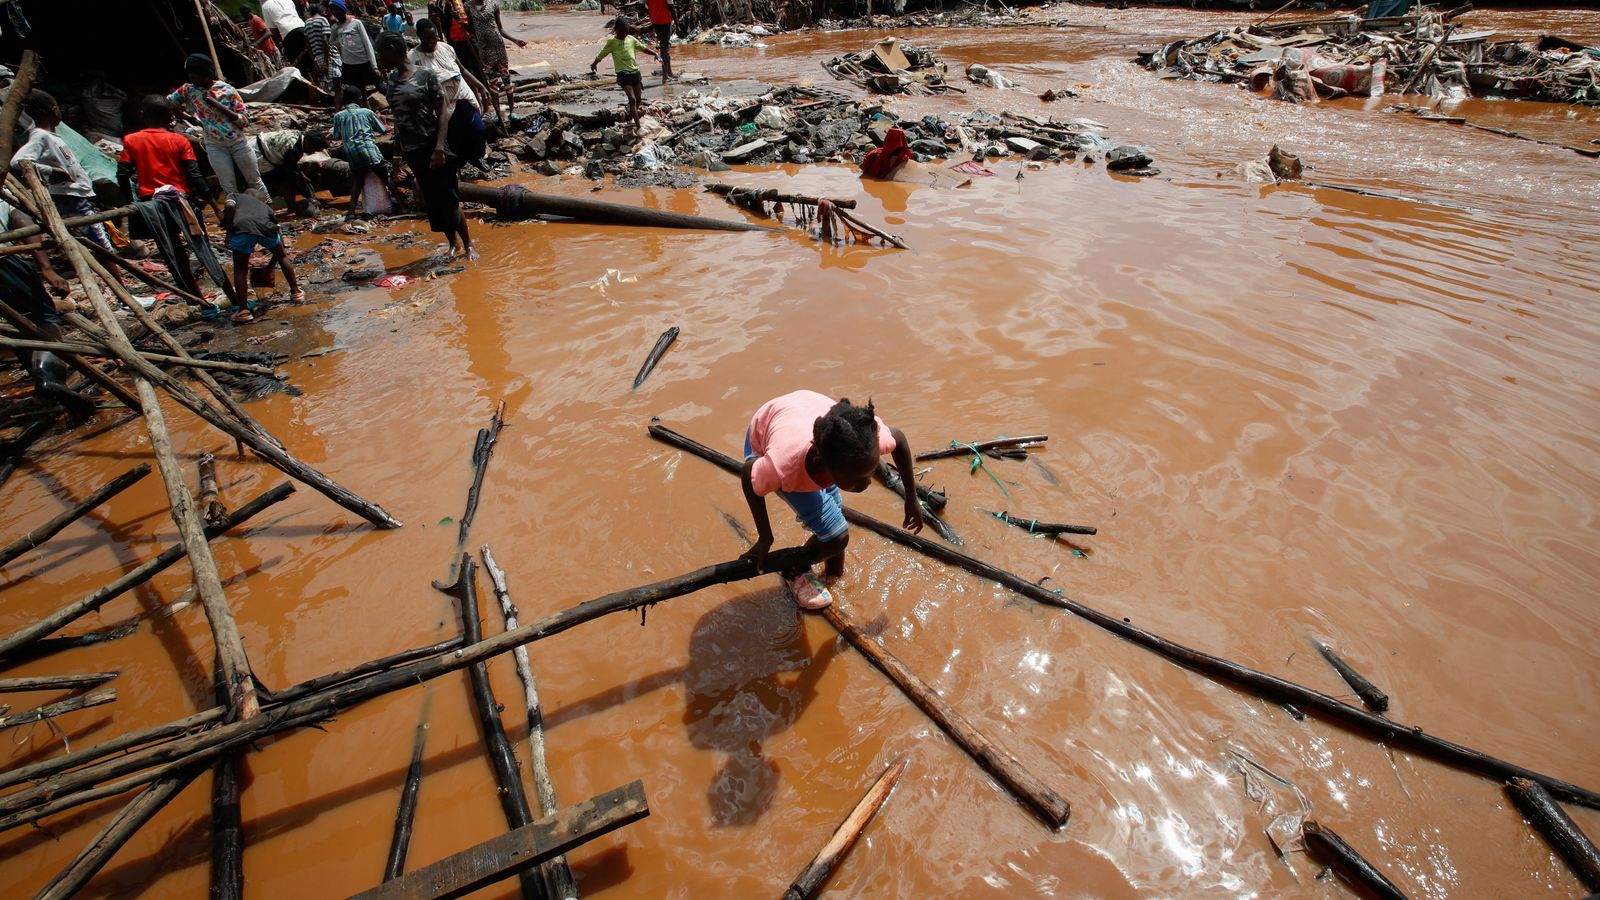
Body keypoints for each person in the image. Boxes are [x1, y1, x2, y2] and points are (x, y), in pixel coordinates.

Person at [740, 392, 923, 609]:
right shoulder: (783, 468)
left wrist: (912, 500)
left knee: (834, 524)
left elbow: (899, 438)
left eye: (870, 472)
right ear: (822, 464)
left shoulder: (864, 442)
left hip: (804, 409)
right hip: (764, 432)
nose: (868, 483)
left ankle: (833, 574)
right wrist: (765, 537)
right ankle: (794, 568)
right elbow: (748, 473)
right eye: (858, 479)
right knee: (837, 536)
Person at [378, 32, 474, 259]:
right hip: (413, 150)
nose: (379, 57)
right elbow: (399, 121)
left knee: (448, 198)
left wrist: (439, 148)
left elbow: (441, 114)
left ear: (393, 49)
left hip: (433, 145)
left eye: (381, 52)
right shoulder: (392, 80)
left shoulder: (425, 75)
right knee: (432, 201)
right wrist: (397, 157)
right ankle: (453, 242)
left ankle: (468, 244)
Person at [11, 91, 113, 252]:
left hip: (74, 194)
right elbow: (18, 161)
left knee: (87, 238)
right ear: (54, 110)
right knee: (100, 243)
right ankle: (113, 272)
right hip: (70, 195)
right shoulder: (40, 136)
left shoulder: (52, 136)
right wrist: (51, 171)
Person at [169, 54, 271, 198]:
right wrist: (185, 117)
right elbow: (168, 103)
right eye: (190, 73)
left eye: (195, 73)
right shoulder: (188, 90)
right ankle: (237, 215)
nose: (191, 77)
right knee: (228, 186)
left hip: (238, 143)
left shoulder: (227, 90)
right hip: (214, 145)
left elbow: (244, 121)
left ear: (206, 74)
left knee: (254, 180)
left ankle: (269, 212)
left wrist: (217, 104)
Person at [411, 19, 488, 165]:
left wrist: (481, 86)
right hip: (441, 103)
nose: (432, 41)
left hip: (462, 94)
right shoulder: (413, 58)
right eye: (428, 38)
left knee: (478, 130)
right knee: (454, 136)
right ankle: (461, 164)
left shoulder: (446, 48)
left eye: (434, 37)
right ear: (419, 36)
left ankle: (477, 156)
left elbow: (462, 70)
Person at [118, 95, 215, 209]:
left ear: (142, 114)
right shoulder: (180, 141)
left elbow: (122, 175)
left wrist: (130, 202)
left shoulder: (131, 140)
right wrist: (214, 206)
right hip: (178, 199)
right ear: (171, 118)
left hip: (149, 201)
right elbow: (195, 175)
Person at [222, 191, 303, 323]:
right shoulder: (266, 208)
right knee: (282, 257)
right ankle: (296, 293)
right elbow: (280, 244)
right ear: (262, 200)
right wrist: (270, 266)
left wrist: (229, 230)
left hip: (242, 227)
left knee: (240, 269)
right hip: (265, 227)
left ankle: (243, 311)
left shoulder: (234, 195)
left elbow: (230, 207)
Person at [331, 85, 395, 216]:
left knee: (358, 181)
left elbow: (336, 136)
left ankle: (351, 212)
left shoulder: (339, 116)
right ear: (360, 99)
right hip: (369, 151)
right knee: (385, 177)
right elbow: (382, 129)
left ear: (343, 100)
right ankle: (403, 205)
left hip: (352, 153)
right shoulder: (367, 112)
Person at [465, 0, 525, 125]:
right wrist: (461, 24)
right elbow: (471, 29)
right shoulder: (468, 7)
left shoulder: (493, 5)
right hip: (484, 50)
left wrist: (515, 40)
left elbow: (500, 28)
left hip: (498, 47)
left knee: (506, 78)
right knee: (492, 82)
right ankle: (498, 113)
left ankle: (512, 111)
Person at [591, 19, 656, 129]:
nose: (623, 35)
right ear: (616, 31)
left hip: (635, 73)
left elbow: (642, 48)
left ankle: (630, 118)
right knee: (632, 99)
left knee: (638, 99)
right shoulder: (612, 42)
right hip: (623, 74)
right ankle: (638, 127)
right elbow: (603, 53)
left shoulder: (631, 39)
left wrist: (654, 53)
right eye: (621, 33)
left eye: (625, 32)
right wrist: (594, 63)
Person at [254, 128, 328, 213]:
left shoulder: (300, 136)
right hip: (260, 154)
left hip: (265, 144)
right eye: (313, 149)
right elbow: (292, 173)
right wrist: (309, 197)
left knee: (294, 177)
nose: (312, 152)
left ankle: (291, 204)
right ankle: (291, 206)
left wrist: (301, 174)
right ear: (308, 143)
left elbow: (293, 165)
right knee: (282, 181)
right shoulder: (294, 149)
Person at [331, 0, 380, 95]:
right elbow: (331, 42)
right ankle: (365, 105)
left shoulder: (356, 23)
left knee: (378, 84)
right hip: (349, 63)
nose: (335, 12)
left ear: (343, 10)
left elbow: (367, 43)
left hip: (363, 61)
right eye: (333, 10)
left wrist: (374, 66)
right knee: (358, 90)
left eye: (337, 9)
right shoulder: (335, 27)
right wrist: (341, 42)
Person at [303, 0, 340, 98]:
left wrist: (314, 60)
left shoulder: (306, 23)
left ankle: (330, 104)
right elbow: (325, 40)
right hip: (327, 55)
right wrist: (326, 61)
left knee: (325, 85)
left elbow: (308, 45)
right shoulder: (322, 20)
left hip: (317, 57)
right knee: (336, 83)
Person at [261, 0, 308, 71]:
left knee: (298, 66)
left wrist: (280, 42)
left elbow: (272, 29)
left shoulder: (265, 6)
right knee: (310, 57)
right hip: (302, 27)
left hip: (287, 33)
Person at [645, 0, 675, 82]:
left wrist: (653, 12)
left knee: (664, 45)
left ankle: (669, 73)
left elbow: (642, 4)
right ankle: (665, 77)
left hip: (655, 20)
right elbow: (671, 7)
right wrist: (677, 23)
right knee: (665, 47)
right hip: (665, 20)